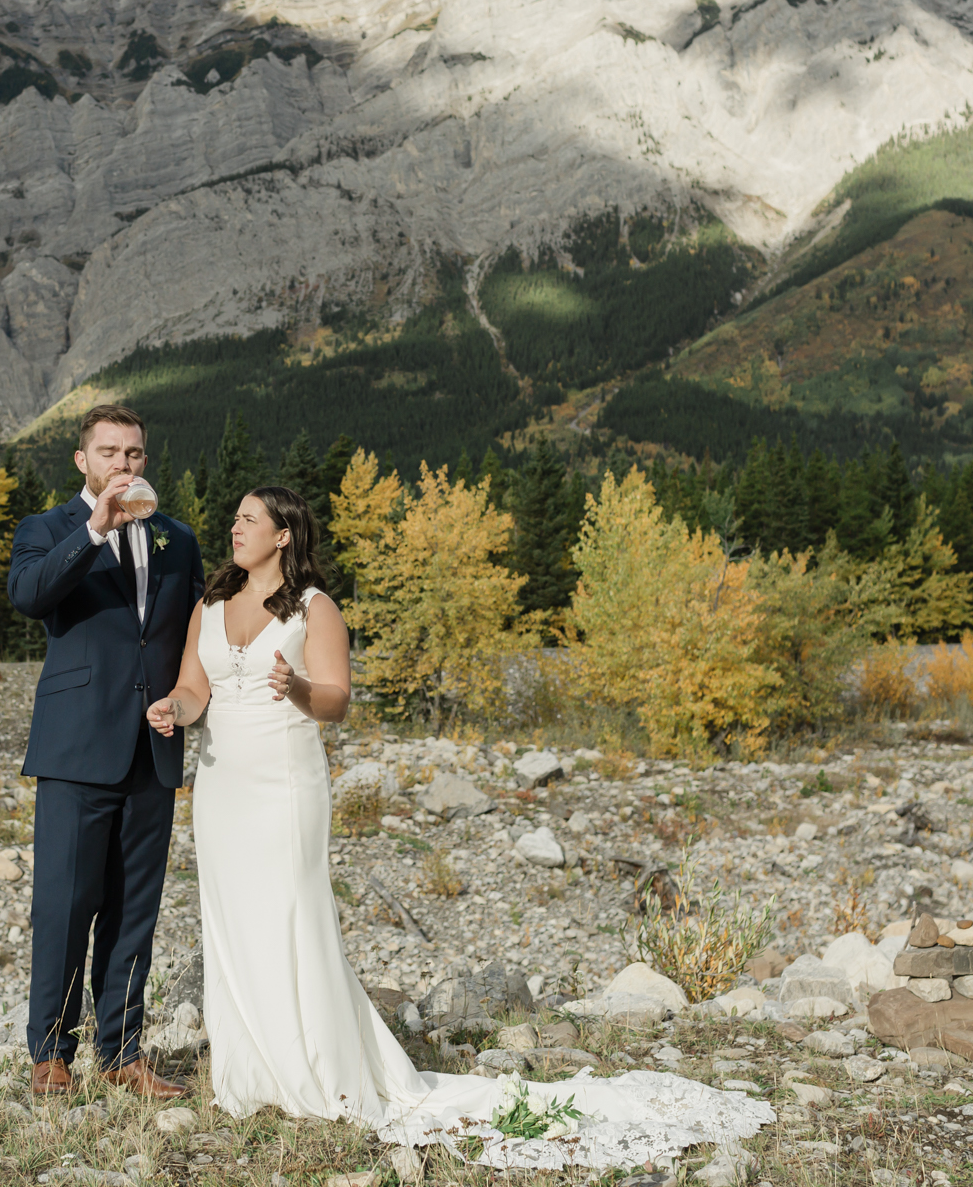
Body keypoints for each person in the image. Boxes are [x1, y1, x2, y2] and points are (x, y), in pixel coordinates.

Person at [147, 485, 775, 1170]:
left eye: (248, 519)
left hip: (286, 787)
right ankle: (251, 1074)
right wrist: (172, 711)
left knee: (294, 916)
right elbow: (195, 688)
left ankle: (317, 1068)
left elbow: (336, 699)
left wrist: (295, 688)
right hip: (222, 788)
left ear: (284, 535)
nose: (233, 527)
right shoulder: (208, 605)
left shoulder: (314, 609)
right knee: (232, 921)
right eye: (234, 518)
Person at [8, 404, 204, 1099]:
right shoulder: (48, 529)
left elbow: (189, 638)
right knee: (64, 905)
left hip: (153, 747)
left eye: (136, 454)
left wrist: (187, 703)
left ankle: (122, 1054)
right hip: (76, 747)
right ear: (83, 462)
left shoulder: (177, 540)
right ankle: (51, 1054)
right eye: (112, 453)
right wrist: (95, 531)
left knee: (134, 912)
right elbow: (30, 596)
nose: (126, 464)